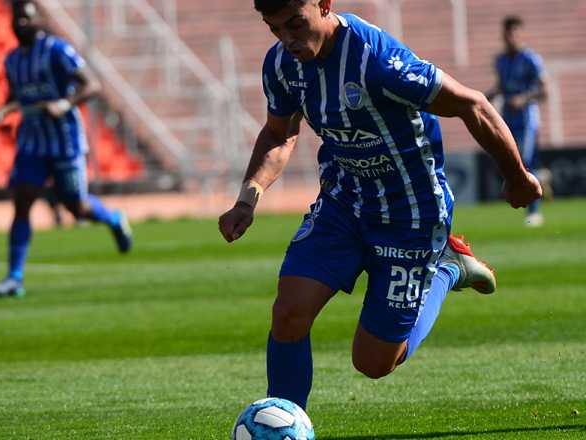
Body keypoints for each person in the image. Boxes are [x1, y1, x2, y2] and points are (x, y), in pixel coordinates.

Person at [218, 0, 542, 410]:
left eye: (296, 24)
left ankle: (448, 268)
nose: (287, 39)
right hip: (343, 203)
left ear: (324, 4)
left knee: (372, 362)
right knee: (288, 313)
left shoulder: (378, 61)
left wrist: (517, 176)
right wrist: (248, 198)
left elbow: (471, 103)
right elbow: (279, 134)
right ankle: (286, 428)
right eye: (274, 29)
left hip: (411, 214)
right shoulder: (283, 65)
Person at [0, 0, 133, 298]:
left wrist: (64, 103)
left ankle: (114, 219)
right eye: (17, 19)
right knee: (22, 201)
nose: (20, 24)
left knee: (76, 207)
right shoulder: (12, 60)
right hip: (32, 142)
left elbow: (92, 85)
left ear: (38, 20)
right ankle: (14, 278)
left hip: (65, 141)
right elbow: (17, 97)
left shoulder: (57, 50)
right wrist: (1, 112)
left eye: (26, 18)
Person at [487, 15, 548, 227]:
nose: (511, 37)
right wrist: (488, 96)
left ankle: (534, 213)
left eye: (514, 32)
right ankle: (542, 177)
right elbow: (501, 86)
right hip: (507, 117)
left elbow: (544, 91)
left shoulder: (531, 59)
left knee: (525, 162)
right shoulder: (500, 61)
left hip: (527, 118)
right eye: (507, 33)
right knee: (509, 162)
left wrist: (524, 98)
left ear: (521, 34)